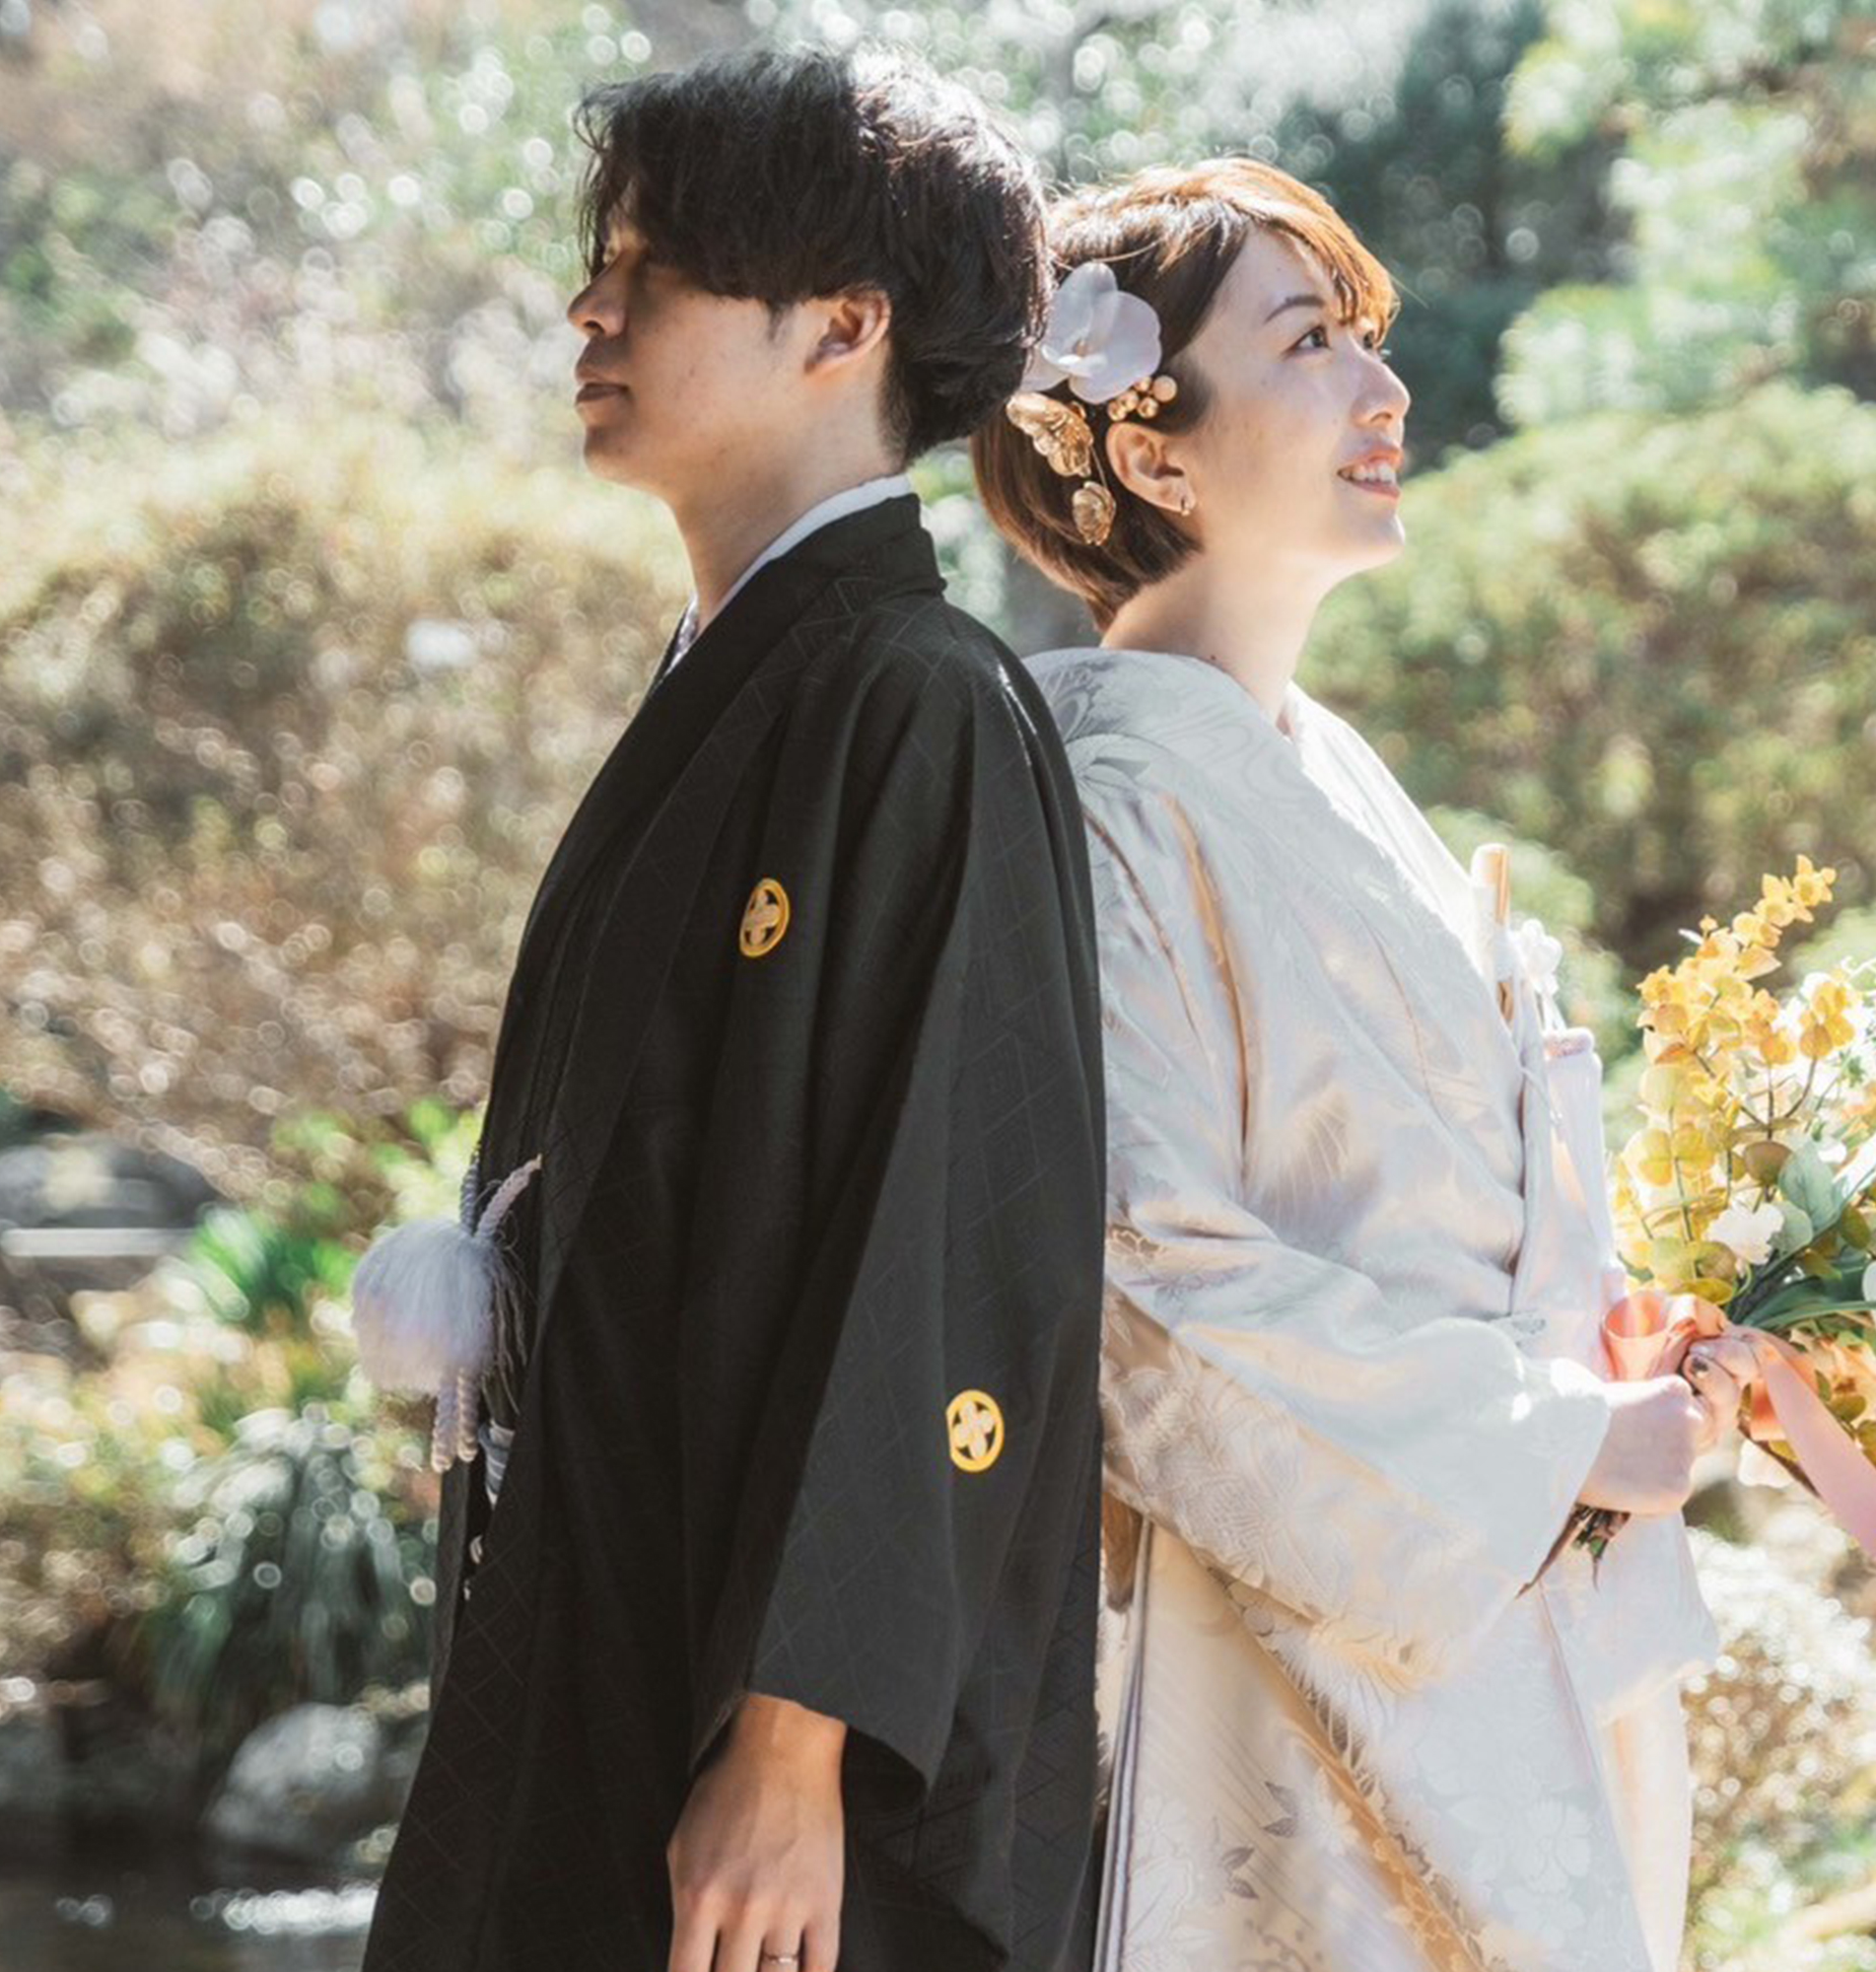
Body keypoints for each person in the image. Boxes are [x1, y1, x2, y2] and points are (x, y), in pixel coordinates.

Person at [356, 46, 1106, 1972]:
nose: (588, 310)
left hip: (770, 1728)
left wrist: (793, 1744)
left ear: (842, 328)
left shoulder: (919, 699)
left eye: (656, 269)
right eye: (601, 261)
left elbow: (939, 1250)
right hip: (619, 1593)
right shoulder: (744, 675)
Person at [972, 162, 1726, 1972]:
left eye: (1369, 339)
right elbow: (1135, 1282)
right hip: (1289, 1651)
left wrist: (1617, 1358)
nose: (1386, 392)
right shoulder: (1109, 800)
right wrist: (1555, 1440)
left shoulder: (1316, 764)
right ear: (1150, 450)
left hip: (1492, 1598)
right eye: (1311, 343)